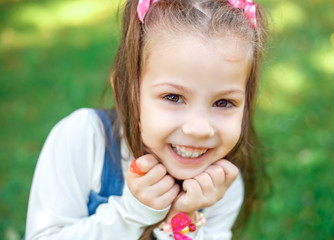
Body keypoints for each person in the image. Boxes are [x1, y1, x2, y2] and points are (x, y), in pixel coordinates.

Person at [25, 0, 268, 239]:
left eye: (223, 103)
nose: (199, 129)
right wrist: (132, 213)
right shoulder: (83, 140)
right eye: (173, 97)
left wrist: (181, 217)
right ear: (126, 90)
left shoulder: (223, 187)